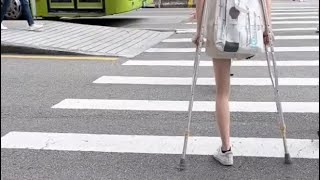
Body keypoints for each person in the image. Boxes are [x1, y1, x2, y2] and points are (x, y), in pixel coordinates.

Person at [193, 0, 272, 166]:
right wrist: (268, 28)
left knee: (222, 92)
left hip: (217, 28)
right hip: (248, 28)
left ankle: (226, 149)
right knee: (222, 92)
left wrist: (199, 31)